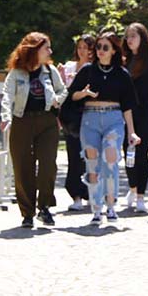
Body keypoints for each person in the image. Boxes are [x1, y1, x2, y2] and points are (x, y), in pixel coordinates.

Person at [67, 30, 142, 224]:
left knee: (110, 157)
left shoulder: (122, 74)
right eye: (98, 47)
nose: (100, 51)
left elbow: (128, 106)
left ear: (114, 51)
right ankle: (96, 208)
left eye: (105, 47)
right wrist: (83, 94)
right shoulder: (87, 71)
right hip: (90, 119)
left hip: (113, 118)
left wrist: (132, 131)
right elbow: (71, 95)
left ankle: (111, 205)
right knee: (92, 162)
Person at [0, 32, 68, 228]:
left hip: (46, 121)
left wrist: (57, 99)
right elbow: (6, 95)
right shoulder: (16, 73)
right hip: (22, 121)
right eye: (46, 47)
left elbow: (63, 90)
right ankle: (27, 213)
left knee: (48, 165)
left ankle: (44, 207)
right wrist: (6, 116)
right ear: (35, 49)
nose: (50, 51)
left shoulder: (50, 70)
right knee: (23, 168)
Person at [122, 23, 148, 213]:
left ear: (142, 39)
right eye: (128, 36)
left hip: (145, 115)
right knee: (127, 153)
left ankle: (141, 195)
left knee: (142, 154)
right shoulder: (124, 62)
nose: (129, 40)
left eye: (133, 36)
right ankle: (132, 187)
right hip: (125, 114)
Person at [59, 34, 95, 211]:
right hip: (71, 117)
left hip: (89, 115)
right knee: (74, 156)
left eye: (86, 48)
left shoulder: (95, 68)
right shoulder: (68, 67)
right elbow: (63, 90)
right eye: (80, 47)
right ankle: (76, 194)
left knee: (90, 157)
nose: (82, 51)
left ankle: (91, 192)